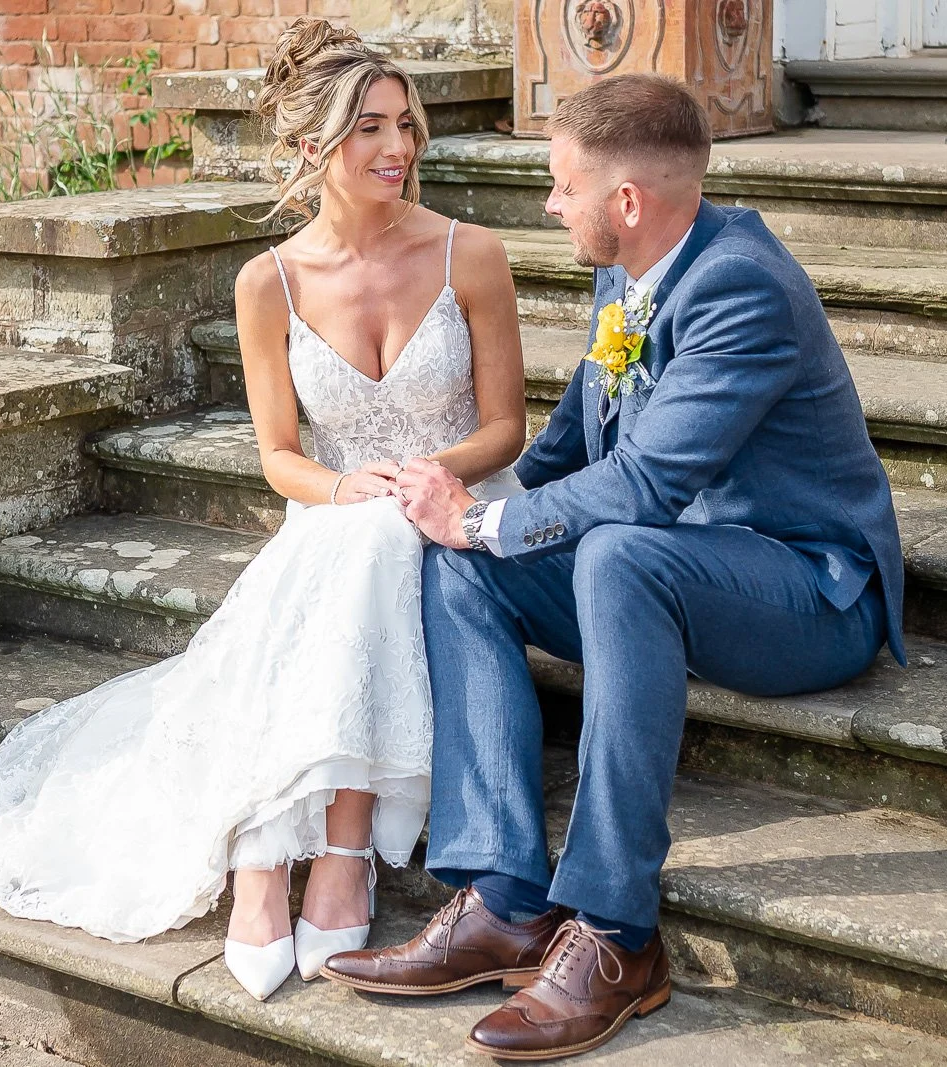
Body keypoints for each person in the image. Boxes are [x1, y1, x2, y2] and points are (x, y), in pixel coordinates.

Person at [0, 17, 526, 1002]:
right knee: (352, 540)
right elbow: (281, 457)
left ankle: (306, 847)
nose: (398, 148)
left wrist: (423, 478)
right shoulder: (265, 282)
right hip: (335, 513)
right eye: (368, 126)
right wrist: (346, 488)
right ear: (313, 142)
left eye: (406, 124)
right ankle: (295, 851)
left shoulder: (471, 255)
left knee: (364, 544)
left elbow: (503, 432)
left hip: (456, 503)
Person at [322, 73, 906, 1061]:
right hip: (675, 570)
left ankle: (617, 930)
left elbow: (642, 485)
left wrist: (487, 521)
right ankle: (505, 897)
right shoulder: (628, 265)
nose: (551, 206)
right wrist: (462, 516)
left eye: (561, 186)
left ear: (623, 200)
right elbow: (573, 436)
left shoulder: (739, 285)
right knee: (460, 565)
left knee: (613, 551)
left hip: (805, 588)